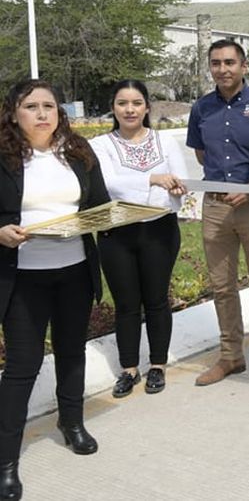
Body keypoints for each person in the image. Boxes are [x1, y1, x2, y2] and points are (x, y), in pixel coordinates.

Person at [0, 79, 110, 501]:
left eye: (50, 105)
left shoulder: (78, 151)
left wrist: (105, 218)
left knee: (71, 352)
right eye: (31, 106)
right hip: (23, 278)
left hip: (75, 273)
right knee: (22, 367)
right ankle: (7, 460)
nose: (43, 113)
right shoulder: (5, 156)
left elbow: (98, 204)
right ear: (13, 113)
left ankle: (73, 423)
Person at [186, 39, 249, 390]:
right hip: (214, 208)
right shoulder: (201, 108)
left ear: (244, 66)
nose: (223, 69)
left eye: (230, 62)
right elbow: (201, 155)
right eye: (216, 63)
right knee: (222, 286)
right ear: (210, 68)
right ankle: (231, 355)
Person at [90, 80, 188, 398]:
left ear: (147, 107)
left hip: (158, 230)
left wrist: (171, 188)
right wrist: (152, 179)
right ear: (113, 107)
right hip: (116, 233)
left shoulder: (165, 141)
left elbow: (179, 181)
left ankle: (157, 365)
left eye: (136, 103)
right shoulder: (100, 145)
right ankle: (129, 369)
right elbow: (107, 184)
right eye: (122, 103)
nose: (129, 109)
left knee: (157, 299)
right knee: (127, 303)